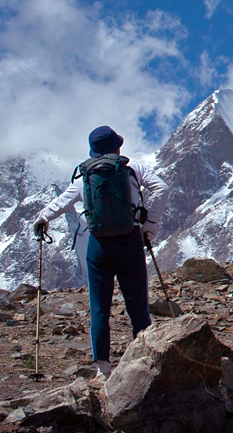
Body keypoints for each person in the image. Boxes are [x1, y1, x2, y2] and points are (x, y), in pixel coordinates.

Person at [32, 125, 169, 385]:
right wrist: (150, 226)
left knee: (99, 308)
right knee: (137, 306)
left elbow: (63, 202)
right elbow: (162, 189)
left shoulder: (84, 175)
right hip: (129, 242)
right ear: (118, 147)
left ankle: (102, 370)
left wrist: (42, 218)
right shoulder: (133, 168)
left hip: (98, 246)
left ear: (93, 151)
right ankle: (146, 361)